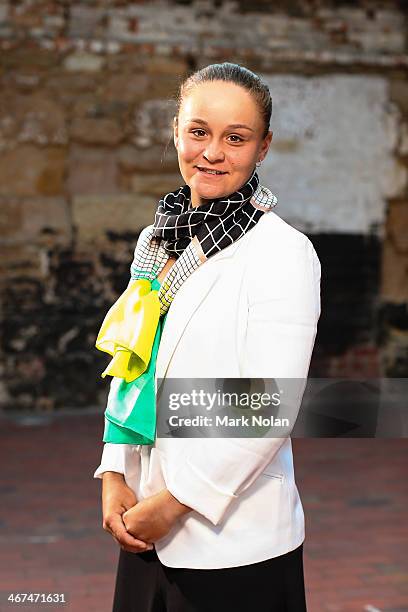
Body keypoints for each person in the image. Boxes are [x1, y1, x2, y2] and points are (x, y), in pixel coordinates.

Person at [93, 62, 321, 612]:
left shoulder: (282, 253)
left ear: (263, 148)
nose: (212, 152)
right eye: (198, 131)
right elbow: (134, 360)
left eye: (235, 138)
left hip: (232, 541)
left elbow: (268, 400)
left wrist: (178, 501)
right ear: (176, 131)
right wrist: (115, 467)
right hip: (144, 523)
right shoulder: (158, 239)